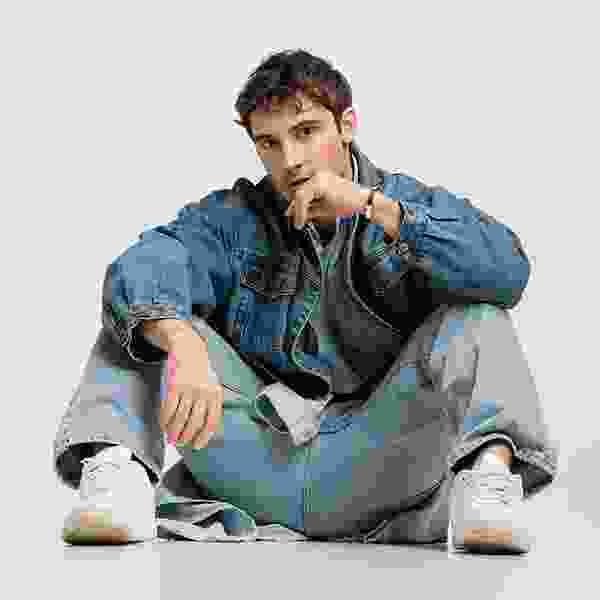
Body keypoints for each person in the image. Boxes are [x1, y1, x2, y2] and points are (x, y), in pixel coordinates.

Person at [53, 48, 559, 552]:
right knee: (141, 318)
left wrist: (372, 207)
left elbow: (506, 272)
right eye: (269, 143)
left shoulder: (403, 204)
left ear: (347, 125)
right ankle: (117, 480)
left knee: (477, 316)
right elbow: (146, 264)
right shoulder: (235, 218)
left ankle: (487, 488)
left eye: (307, 132)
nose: (290, 160)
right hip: (256, 457)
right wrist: (179, 339)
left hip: (381, 462)